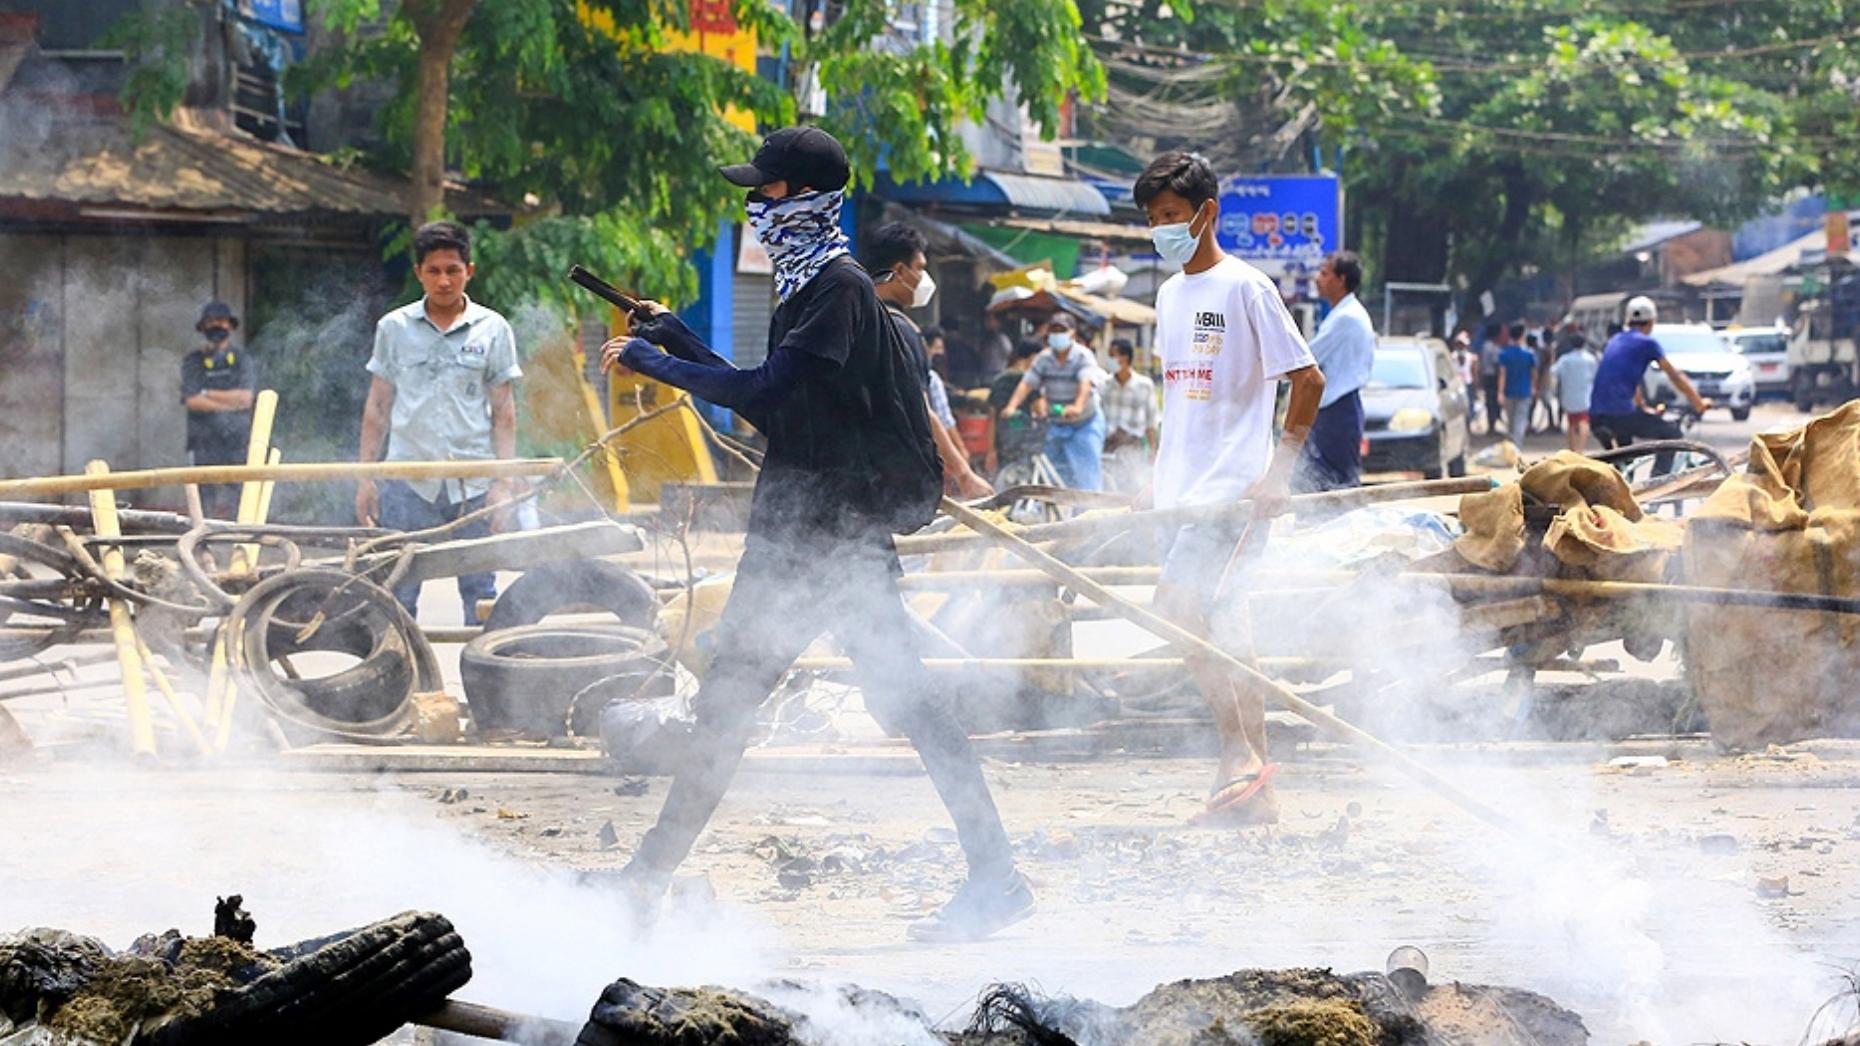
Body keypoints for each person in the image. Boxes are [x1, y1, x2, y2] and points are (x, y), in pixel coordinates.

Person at [599, 125, 1029, 942]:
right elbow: (782, 394)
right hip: (801, 536)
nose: (755, 203)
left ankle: (998, 877)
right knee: (741, 705)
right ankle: (645, 879)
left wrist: (658, 365)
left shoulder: (836, 287)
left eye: (766, 190)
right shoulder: (808, 284)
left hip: (834, 543)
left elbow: (759, 398)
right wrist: (674, 335)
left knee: (900, 708)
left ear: (807, 198)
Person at [1135, 150, 1325, 825]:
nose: (1161, 229)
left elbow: (1307, 381)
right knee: (1228, 631)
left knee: (1178, 609)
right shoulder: (1168, 294)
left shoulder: (1248, 288)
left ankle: (1237, 751)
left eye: (1171, 217)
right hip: (1183, 495)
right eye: (1153, 220)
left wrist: (1278, 473)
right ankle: (1259, 792)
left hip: (1235, 493)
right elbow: (1177, 399)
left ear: (1206, 213)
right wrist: (1154, 482)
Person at [356, 221, 521, 621]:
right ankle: (401, 680)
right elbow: (378, 405)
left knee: (481, 595)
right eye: (433, 270)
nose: (444, 280)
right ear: (418, 273)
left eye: (453, 270)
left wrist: (502, 483)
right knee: (396, 594)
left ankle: (486, 681)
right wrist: (365, 477)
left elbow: (504, 413)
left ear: (470, 271)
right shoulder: (393, 328)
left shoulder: (493, 328)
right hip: (407, 482)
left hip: (474, 483)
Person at [864, 221, 992, 498]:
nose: (924, 278)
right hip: (881, 477)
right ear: (899, 271)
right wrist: (964, 473)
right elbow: (921, 410)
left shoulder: (844, 318)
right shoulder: (900, 331)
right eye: (920, 268)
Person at [1589, 296, 1710, 474]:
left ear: (1628, 320)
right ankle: (1658, 486)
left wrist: (1643, 406)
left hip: (1597, 416)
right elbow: (1674, 376)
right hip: (1620, 415)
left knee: (1625, 461)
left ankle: (1622, 492)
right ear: (1652, 321)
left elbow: (1629, 379)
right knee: (1672, 435)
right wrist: (1698, 403)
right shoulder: (1648, 343)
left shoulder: (1615, 340)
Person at [1295, 251, 1374, 492]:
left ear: (1340, 280)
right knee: (1323, 481)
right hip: (1335, 409)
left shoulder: (1346, 318)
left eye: (1324, 273)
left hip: (1338, 410)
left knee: (1337, 485)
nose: (1318, 279)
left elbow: (1305, 358)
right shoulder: (1341, 314)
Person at [1000, 312, 1106, 491]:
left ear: (1072, 333)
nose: (1057, 334)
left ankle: (1090, 514)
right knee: (1050, 475)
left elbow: (1085, 384)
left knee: (1086, 477)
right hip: (1056, 423)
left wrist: (1077, 407)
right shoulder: (1044, 359)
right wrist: (1011, 406)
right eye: (1053, 330)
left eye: (1062, 330)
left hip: (1084, 424)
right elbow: (1027, 384)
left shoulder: (1083, 356)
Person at [179, 301, 258, 520]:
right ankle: (202, 540)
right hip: (203, 440)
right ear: (203, 327)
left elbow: (246, 399)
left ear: (230, 326)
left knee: (240, 493)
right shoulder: (193, 361)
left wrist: (207, 393)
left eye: (221, 321)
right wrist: (229, 403)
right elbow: (192, 400)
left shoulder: (243, 360)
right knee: (204, 496)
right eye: (211, 322)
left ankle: (240, 539)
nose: (216, 326)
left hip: (237, 438)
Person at [1100, 337, 1158, 493]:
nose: (1109, 360)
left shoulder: (1144, 385)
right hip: (1109, 447)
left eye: (1112, 355)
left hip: (1133, 446)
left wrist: (1153, 451)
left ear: (1125, 358)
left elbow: (1151, 421)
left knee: (1133, 489)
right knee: (1109, 488)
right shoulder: (1105, 385)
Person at [1551, 336, 1600, 452]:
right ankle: (1581, 449)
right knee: (1583, 421)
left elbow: (1553, 371)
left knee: (1571, 422)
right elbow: (1596, 375)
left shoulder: (1565, 359)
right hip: (1585, 395)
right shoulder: (1590, 359)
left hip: (1569, 394)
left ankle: (1572, 449)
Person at [1496, 325, 1536, 448]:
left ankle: (1512, 443)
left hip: (1509, 392)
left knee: (1511, 421)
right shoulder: (1529, 354)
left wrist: (1500, 392)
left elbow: (1502, 374)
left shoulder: (1504, 354)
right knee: (1521, 419)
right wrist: (1533, 387)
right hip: (1524, 391)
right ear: (1522, 336)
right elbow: (1534, 373)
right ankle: (1516, 445)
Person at [1478, 323, 1504, 434]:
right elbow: (1497, 364)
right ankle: (1492, 426)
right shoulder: (1493, 348)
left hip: (1486, 376)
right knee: (1493, 401)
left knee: (1489, 401)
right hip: (1493, 377)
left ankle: (1491, 425)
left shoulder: (1484, 346)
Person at [977, 310, 1013, 386]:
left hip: (998, 378)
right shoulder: (984, 340)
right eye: (986, 321)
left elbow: (1010, 355)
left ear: (998, 322)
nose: (987, 324)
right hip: (984, 378)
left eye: (990, 320)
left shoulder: (1002, 339)